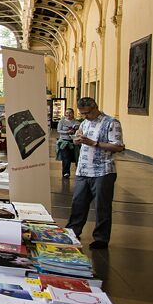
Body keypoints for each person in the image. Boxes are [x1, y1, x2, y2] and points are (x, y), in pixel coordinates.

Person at [67, 98, 124, 249]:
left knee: (102, 206)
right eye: (82, 113)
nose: (85, 116)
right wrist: (77, 140)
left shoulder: (111, 123)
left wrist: (94, 143)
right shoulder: (85, 123)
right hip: (84, 169)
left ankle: (101, 238)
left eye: (87, 113)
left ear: (95, 108)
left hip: (103, 171)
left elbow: (118, 147)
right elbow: (80, 140)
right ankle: (73, 230)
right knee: (78, 202)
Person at [56, 108, 81, 178]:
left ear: (73, 113)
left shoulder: (77, 122)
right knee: (66, 157)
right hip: (64, 142)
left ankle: (79, 172)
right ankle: (66, 172)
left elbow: (81, 131)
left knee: (76, 157)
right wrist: (67, 132)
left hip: (74, 142)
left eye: (70, 113)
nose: (68, 114)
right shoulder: (62, 121)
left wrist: (76, 131)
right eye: (67, 113)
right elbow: (58, 130)